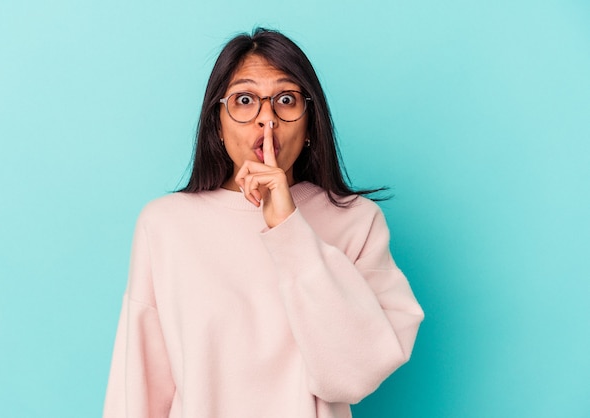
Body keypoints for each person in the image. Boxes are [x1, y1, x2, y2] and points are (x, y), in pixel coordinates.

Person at [103, 28, 424, 418]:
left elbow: (352, 377)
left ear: (310, 123)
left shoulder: (357, 221)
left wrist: (288, 226)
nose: (266, 120)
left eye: (286, 100)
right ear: (217, 124)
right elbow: (138, 388)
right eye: (244, 100)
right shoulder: (166, 225)